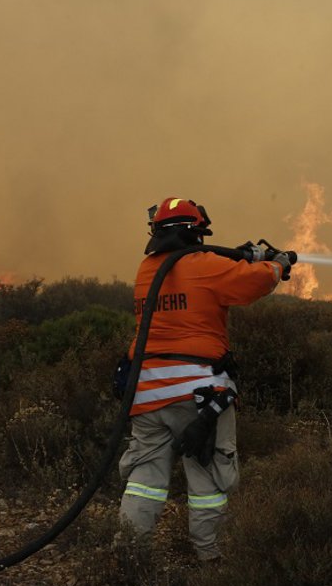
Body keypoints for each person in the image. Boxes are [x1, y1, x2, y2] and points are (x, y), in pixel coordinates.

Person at [118, 196, 294, 562]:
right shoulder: (206, 265)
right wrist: (278, 263)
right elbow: (255, 283)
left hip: (147, 392)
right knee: (208, 480)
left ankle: (131, 556)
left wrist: (241, 255)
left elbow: (207, 273)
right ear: (195, 231)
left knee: (144, 479)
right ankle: (210, 557)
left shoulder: (146, 269)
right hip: (199, 397)